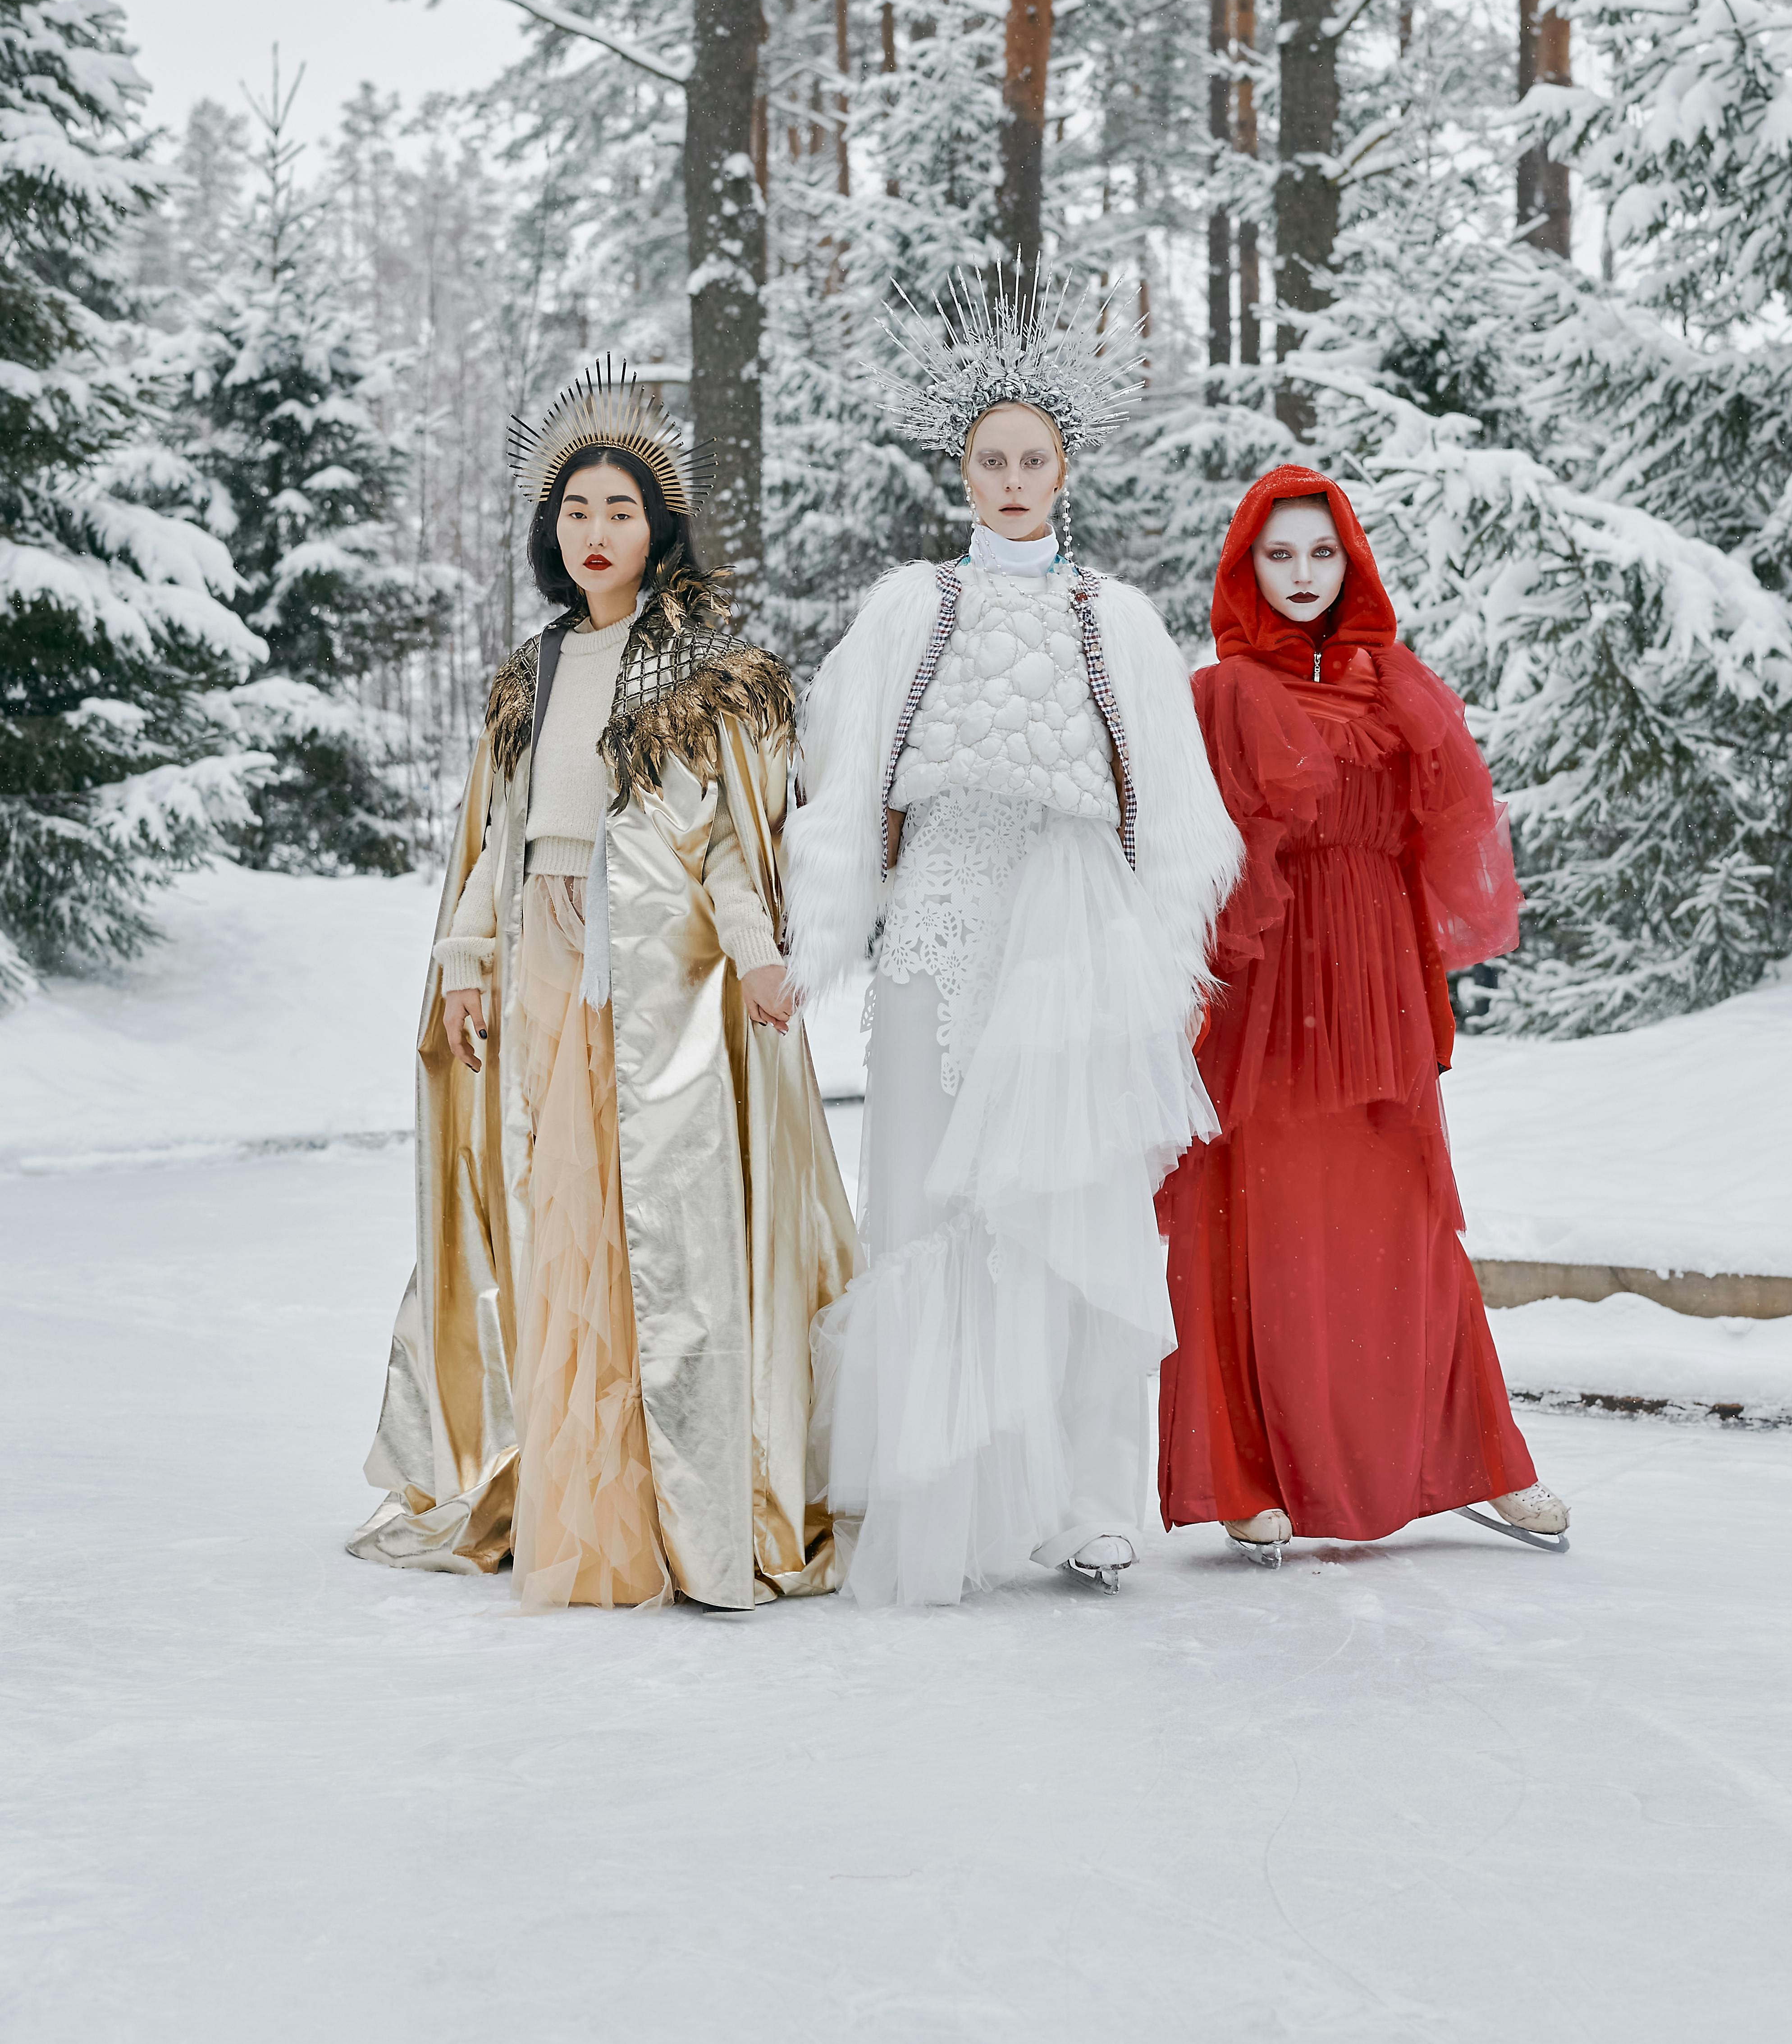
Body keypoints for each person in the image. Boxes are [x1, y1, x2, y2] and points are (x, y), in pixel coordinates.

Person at [348, 362, 858, 1611]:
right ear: (549, 527)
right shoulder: (531, 674)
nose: (596, 531)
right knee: (560, 1226)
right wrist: (466, 965)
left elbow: (731, 844)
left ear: (660, 524)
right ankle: (581, 1480)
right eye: (576, 510)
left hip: (661, 985)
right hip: (545, 956)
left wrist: (759, 955)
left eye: (619, 510)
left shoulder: (700, 670)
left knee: (665, 1234)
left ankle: (685, 1491)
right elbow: (494, 842)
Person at [785, 275, 1243, 1605]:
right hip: (941, 909)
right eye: (990, 458)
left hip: (1072, 929)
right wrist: (810, 949)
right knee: (933, 1192)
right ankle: (942, 1478)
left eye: (1033, 457)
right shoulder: (905, 610)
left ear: (1066, 468)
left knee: (1072, 1197)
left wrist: (1166, 972)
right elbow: (846, 785)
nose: (1011, 478)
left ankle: (1085, 1498)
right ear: (963, 471)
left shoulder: (1120, 619)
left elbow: (1174, 816)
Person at [1156, 466, 1569, 1559]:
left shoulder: (1400, 686)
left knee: (1408, 1222)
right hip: (1270, 986)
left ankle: (1479, 1462)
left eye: (1320, 555)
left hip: (1376, 980)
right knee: (1259, 1221)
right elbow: (1181, 869)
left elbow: (1442, 848)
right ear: (1245, 569)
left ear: (1352, 564)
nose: (1301, 576)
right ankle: (1250, 1478)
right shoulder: (1219, 697)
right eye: (1277, 557)